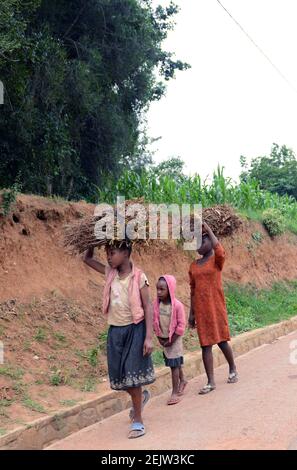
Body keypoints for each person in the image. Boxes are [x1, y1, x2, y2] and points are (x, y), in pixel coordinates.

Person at [84, 240, 155, 438]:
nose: (108, 256)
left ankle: (138, 421)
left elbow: (148, 305)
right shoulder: (110, 273)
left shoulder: (139, 276)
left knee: (132, 377)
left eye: (112, 252)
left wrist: (148, 337)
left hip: (135, 330)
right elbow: (87, 259)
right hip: (115, 331)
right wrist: (92, 241)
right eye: (106, 252)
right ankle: (140, 398)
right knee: (120, 377)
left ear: (126, 252)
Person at [188, 222, 238, 394]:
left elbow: (220, 249)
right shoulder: (193, 266)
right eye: (195, 243)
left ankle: (232, 368)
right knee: (205, 345)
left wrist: (208, 228)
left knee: (222, 341)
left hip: (216, 307)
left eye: (202, 241)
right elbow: (192, 291)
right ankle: (210, 381)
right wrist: (191, 314)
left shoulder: (217, 260)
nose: (198, 246)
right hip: (201, 311)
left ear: (209, 240)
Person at [153, 275, 187, 405]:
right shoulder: (157, 305)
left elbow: (181, 325)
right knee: (174, 362)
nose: (159, 292)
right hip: (164, 340)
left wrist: (172, 340)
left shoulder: (177, 306)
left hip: (175, 340)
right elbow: (155, 322)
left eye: (162, 289)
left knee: (173, 366)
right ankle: (183, 380)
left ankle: (174, 392)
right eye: (157, 289)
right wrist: (159, 337)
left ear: (170, 289)